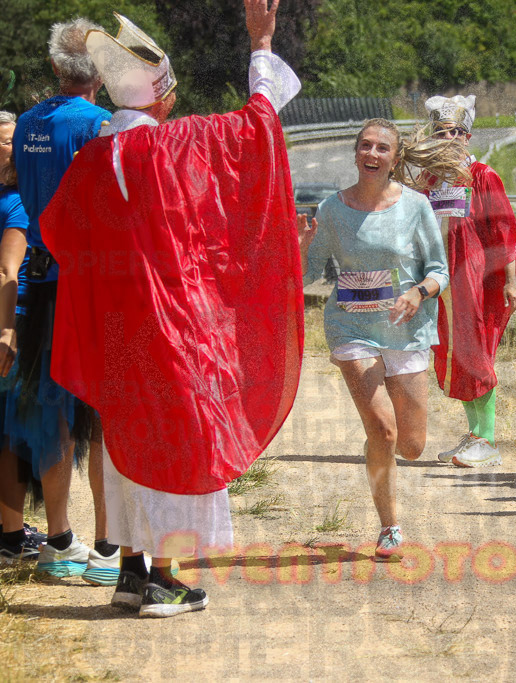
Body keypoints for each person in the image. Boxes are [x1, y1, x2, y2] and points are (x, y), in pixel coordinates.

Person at [41, 0, 307, 617]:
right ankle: (165, 577)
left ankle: (132, 571)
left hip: (118, 330)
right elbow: (256, 125)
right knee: (180, 438)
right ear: (160, 95)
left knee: (127, 438)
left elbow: (59, 232)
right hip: (170, 328)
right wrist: (261, 44)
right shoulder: (170, 144)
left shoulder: (93, 158)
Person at [305, 117, 453, 558]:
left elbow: (440, 271)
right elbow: (307, 273)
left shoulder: (416, 206)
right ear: (355, 153)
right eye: (365, 146)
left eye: (381, 148)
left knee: (410, 445)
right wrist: (298, 245)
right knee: (384, 431)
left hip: (405, 331)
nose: (371, 154)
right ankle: (389, 526)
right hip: (350, 327)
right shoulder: (332, 209)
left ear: (394, 158)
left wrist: (418, 292)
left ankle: (377, 444)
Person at [10, 17, 111, 579]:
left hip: (41, 282)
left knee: (53, 413)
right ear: (101, 72)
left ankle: (58, 540)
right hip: (90, 283)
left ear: (54, 65)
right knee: (101, 417)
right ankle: (108, 548)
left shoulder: (27, 123)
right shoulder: (101, 125)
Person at [421, 94, 516, 468]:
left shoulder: (483, 176)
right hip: (440, 281)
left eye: (455, 132)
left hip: (474, 280)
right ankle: (474, 433)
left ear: (467, 136)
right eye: (440, 132)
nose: (448, 139)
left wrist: (511, 282)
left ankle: (488, 439)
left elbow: (504, 231)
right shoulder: (430, 181)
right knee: (453, 353)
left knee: (476, 354)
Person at [0, 110, 44, 563]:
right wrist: (8, 330)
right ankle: (12, 537)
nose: (17, 148)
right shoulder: (15, 202)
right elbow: (6, 270)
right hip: (10, 320)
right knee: (10, 435)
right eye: (7, 141)